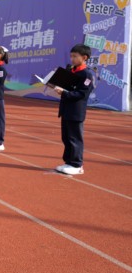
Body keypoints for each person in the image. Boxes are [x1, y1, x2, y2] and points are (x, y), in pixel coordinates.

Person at [54, 44, 95, 175]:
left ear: (84, 57)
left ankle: (77, 164)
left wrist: (64, 92)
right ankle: (69, 162)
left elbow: (82, 94)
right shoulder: (71, 71)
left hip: (76, 111)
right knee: (66, 138)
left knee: (75, 138)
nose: (72, 59)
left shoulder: (87, 75)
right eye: (71, 56)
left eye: (75, 56)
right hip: (66, 109)